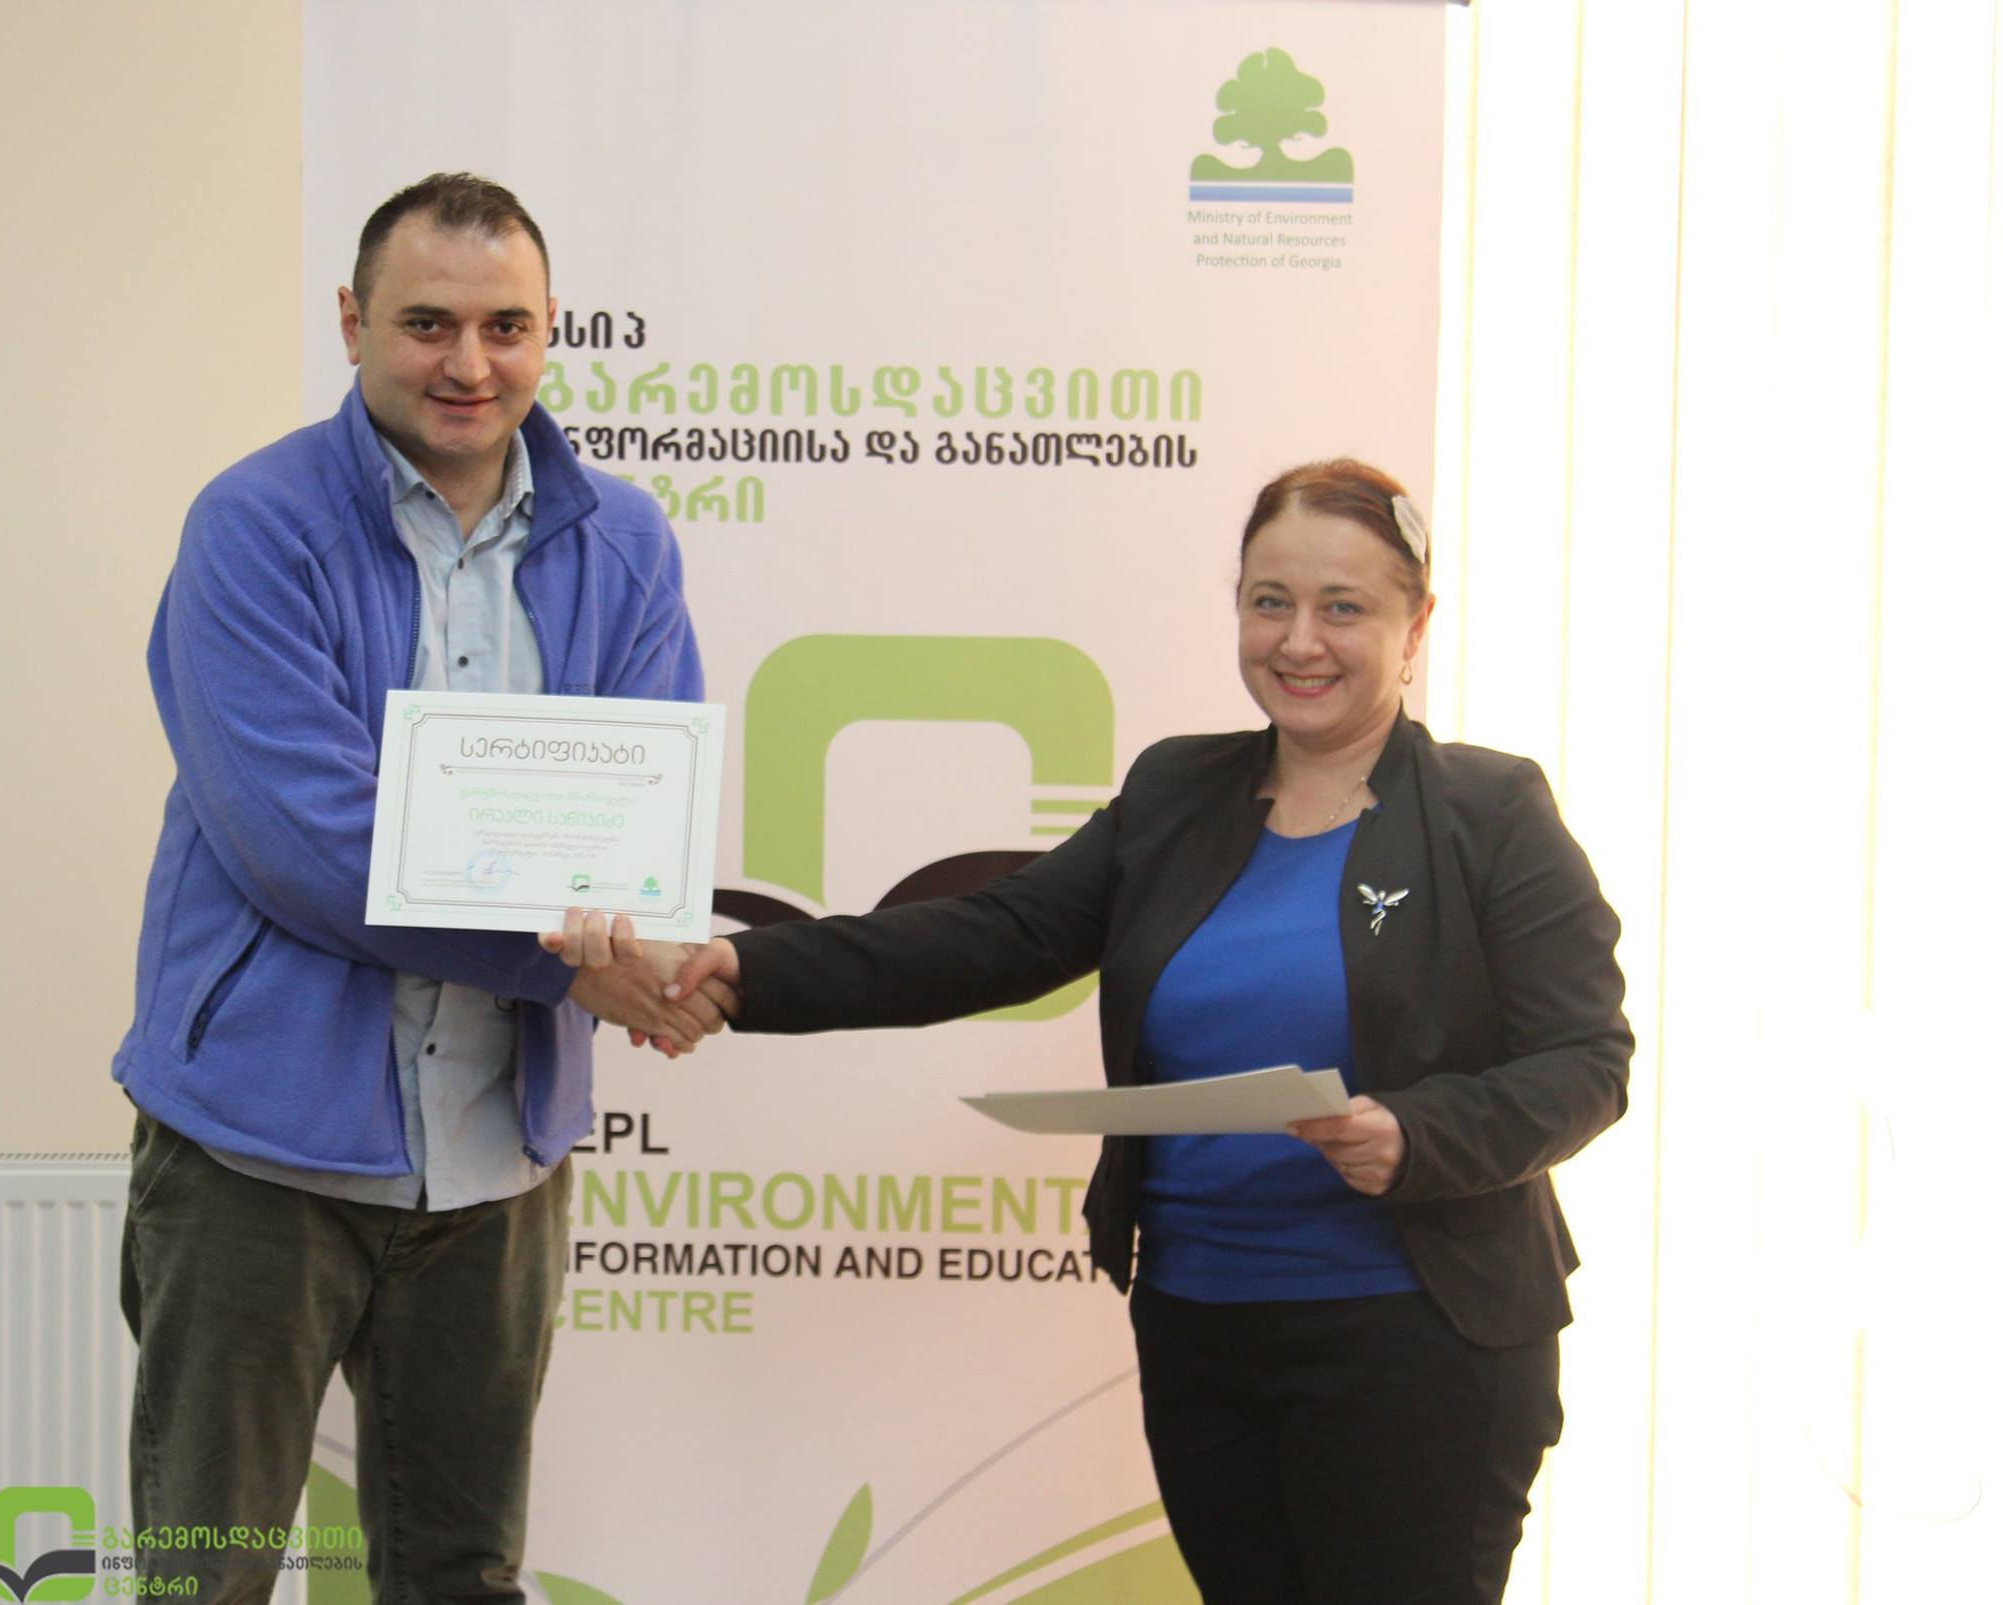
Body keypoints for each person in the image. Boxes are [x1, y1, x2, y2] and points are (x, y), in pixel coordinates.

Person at [554, 458, 1633, 1604]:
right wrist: (739, 968)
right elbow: (991, 935)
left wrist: (1416, 1135)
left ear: (1413, 627)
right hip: (1199, 1330)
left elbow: (1586, 1061)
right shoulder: (1175, 794)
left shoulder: (1488, 813)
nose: (1298, 641)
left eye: (1342, 608)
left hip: (1415, 1336)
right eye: (1268, 601)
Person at [110, 173, 729, 1601]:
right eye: (427, 324)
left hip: (495, 1165)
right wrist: (581, 966)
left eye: (506, 326)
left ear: (551, 329)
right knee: (208, 1574)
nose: (469, 363)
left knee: (462, 1574)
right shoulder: (254, 525)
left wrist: (626, 931)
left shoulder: (626, 541)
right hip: (256, 1154)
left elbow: (640, 811)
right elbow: (307, 842)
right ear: (353, 324)